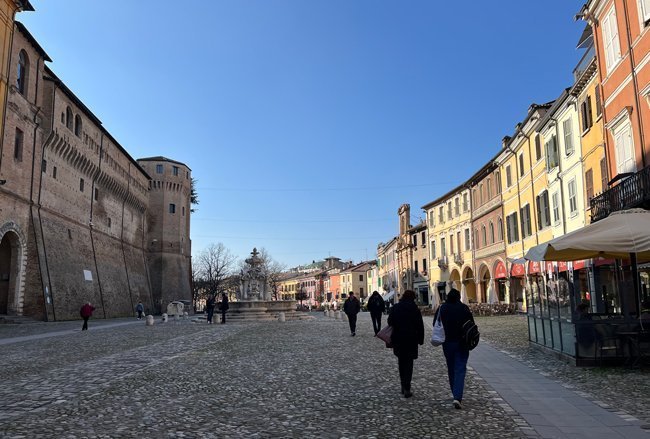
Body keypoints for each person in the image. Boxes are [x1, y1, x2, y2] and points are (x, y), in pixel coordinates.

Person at [438, 288, 475, 409]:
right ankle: (457, 396)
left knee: (451, 367)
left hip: (448, 342)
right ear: (459, 297)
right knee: (460, 368)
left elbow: (436, 323)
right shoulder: (464, 308)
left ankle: (455, 393)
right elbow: (471, 323)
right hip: (462, 342)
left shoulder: (442, 308)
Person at [387, 289, 424, 398]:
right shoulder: (414, 309)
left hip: (398, 338)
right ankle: (407, 387)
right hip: (411, 339)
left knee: (401, 362)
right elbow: (419, 325)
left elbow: (390, 322)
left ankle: (403, 385)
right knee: (409, 363)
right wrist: (421, 339)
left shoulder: (396, 307)